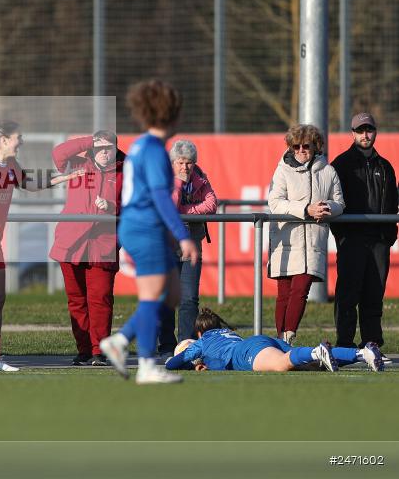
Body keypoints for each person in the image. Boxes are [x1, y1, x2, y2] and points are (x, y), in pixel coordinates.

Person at [0, 120, 84, 372]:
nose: (20, 141)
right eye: (17, 137)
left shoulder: (12, 165)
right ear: (4, 140)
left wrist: (65, 177)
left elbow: (30, 184)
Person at [99, 80, 199, 385]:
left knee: (170, 293)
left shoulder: (142, 144)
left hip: (139, 226)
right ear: (171, 114)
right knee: (154, 296)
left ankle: (123, 342)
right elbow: (158, 196)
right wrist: (181, 235)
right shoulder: (154, 150)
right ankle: (142, 360)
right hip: (145, 227)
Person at [49, 130, 124, 366]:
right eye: (99, 147)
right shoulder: (79, 163)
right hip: (71, 243)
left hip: (103, 244)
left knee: (100, 298)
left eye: (108, 148)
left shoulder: (127, 171)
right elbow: (58, 153)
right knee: (76, 300)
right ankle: (84, 350)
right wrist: (90, 141)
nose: (104, 152)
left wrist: (112, 206)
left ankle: (99, 351)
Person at [267, 124, 344, 345]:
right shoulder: (282, 169)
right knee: (283, 294)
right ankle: (279, 340)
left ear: (316, 146)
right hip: (286, 240)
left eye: (306, 146)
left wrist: (326, 207)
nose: (301, 150)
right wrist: (305, 209)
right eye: (296, 146)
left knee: (300, 290)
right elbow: (275, 202)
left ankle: (288, 337)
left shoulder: (328, 171)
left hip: (312, 242)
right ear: (291, 147)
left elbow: (340, 203)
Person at [331, 113, 398, 350]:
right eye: (360, 131)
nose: (365, 135)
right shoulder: (340, 164)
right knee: (348, 294)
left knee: (374, 294)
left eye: (369, 130)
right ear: (353, 133)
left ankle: (372, 344)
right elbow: (332, 203)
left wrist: (388, 236)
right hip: (352, 240)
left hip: (378, 241)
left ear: (375, 132)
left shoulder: (385, 166)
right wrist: (343, 235)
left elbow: (392, 203)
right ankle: (345, 344)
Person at [165, 308, 384, 373]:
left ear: (199, 335)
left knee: (282, 364)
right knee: (314, 367)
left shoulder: (201, 344)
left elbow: (173, 363)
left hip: (245, 352)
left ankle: (317, 351)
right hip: (259, 341)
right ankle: (363, 354)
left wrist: (182, 359)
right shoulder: (226, 335)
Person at [157, 139, 217, 357]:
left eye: (189, 163)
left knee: (189, 298)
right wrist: (179, 184)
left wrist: (186, 212)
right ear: (172, 163)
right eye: (180, 163)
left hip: (191, 245)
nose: (185, 168)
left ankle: (186, 346)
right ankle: (165, 345)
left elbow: (211, 205)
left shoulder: (201, 178)